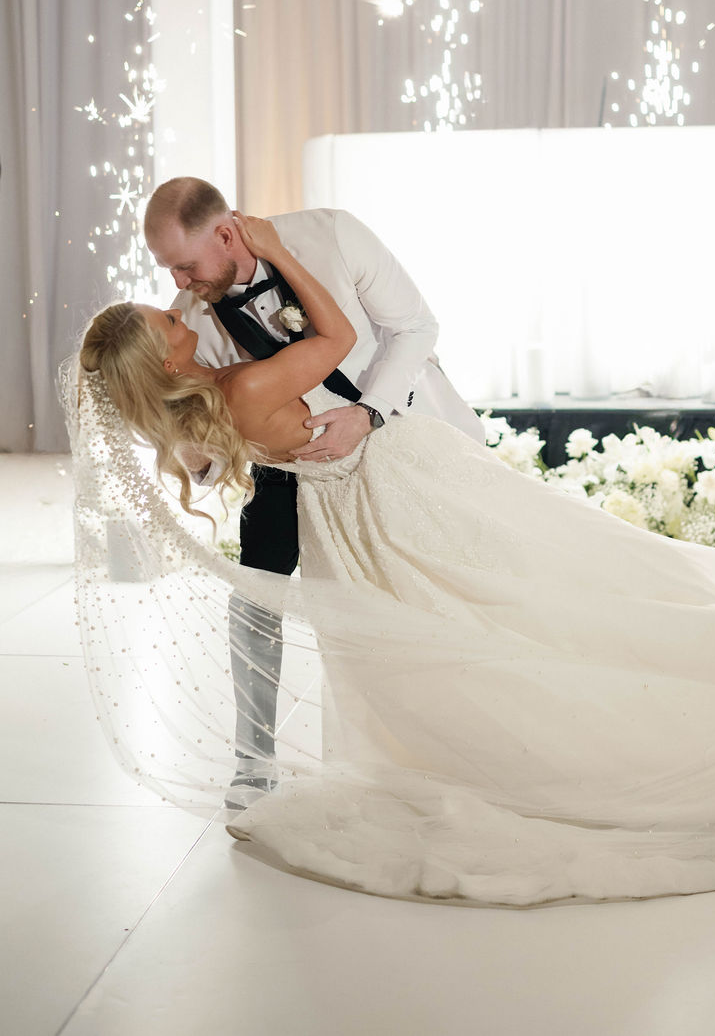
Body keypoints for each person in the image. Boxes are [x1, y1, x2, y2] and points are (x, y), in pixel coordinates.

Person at [73, 217, 715, 914]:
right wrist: (278, 253)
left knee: (487, 610)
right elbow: (334, 341)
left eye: (175, 284)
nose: (177, 302)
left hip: (353, 506)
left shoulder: (202, 404)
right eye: (164, 315)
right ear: (166, 361)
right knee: (517, 595)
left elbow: (389, 340)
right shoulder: (241, 378)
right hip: (392, 485)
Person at [142, 179, 483, 806]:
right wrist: (196, 453)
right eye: (169, 269)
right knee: (255, 593)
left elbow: (415, 326)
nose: (180, 283)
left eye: (184, 265)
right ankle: (252, 760)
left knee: (440, 582)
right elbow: (209, 431)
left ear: (226, 234)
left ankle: (454, 740)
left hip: (399, 421)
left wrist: (370, 413)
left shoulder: (332, 234)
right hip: (291, 458)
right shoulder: (188, 316)